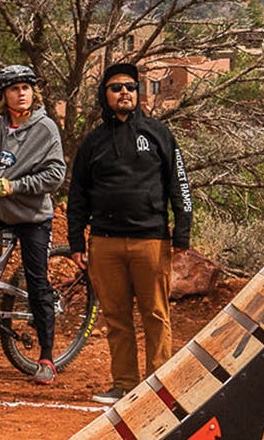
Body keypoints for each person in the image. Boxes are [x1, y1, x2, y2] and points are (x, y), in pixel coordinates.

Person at [67, 61, 194, 407]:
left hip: (151, 240)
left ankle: (158, 386)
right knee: (116, 316)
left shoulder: (158, 134)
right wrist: (76, 241)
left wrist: (181, 236)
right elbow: (77, 193)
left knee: (155, 313)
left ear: (138, 94)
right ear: (104, 95)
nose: (125, 92)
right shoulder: (92, 142)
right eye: (116, 87)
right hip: (105, 243)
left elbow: (179, 185)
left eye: (131, 87)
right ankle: (123, 384)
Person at [0, 62, 66, 382]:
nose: (21, 93)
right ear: (4, 95)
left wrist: (16, 186)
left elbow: (56, 175)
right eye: (14, 88)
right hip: (0, 208)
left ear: (33, 92)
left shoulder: (46, 128)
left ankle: (47, 359)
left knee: (38, 285)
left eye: (26, 87)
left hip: (32, 216)